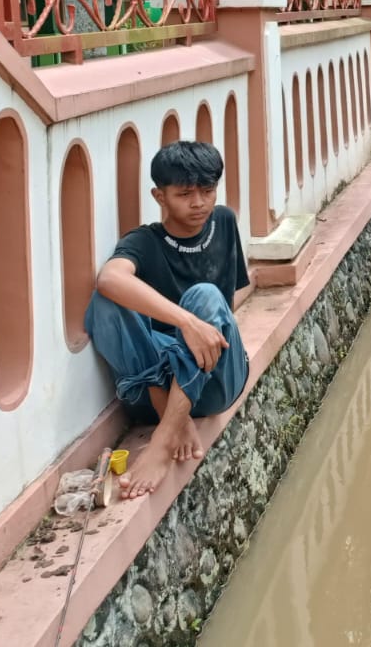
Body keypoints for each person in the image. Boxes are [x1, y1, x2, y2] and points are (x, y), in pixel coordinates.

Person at [84, 141, 250, 499]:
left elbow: (226, 309)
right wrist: (187, 323)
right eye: (184, 194)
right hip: (153, 387)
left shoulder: (224, 221)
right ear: (159, 196)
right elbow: (110, 279)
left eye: (207, 191)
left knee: (206, 296)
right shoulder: (145, 242)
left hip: (219, 377)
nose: (198, 203)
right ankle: (174, 419)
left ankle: (164, 436)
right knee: (106, 301)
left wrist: (199, 325)